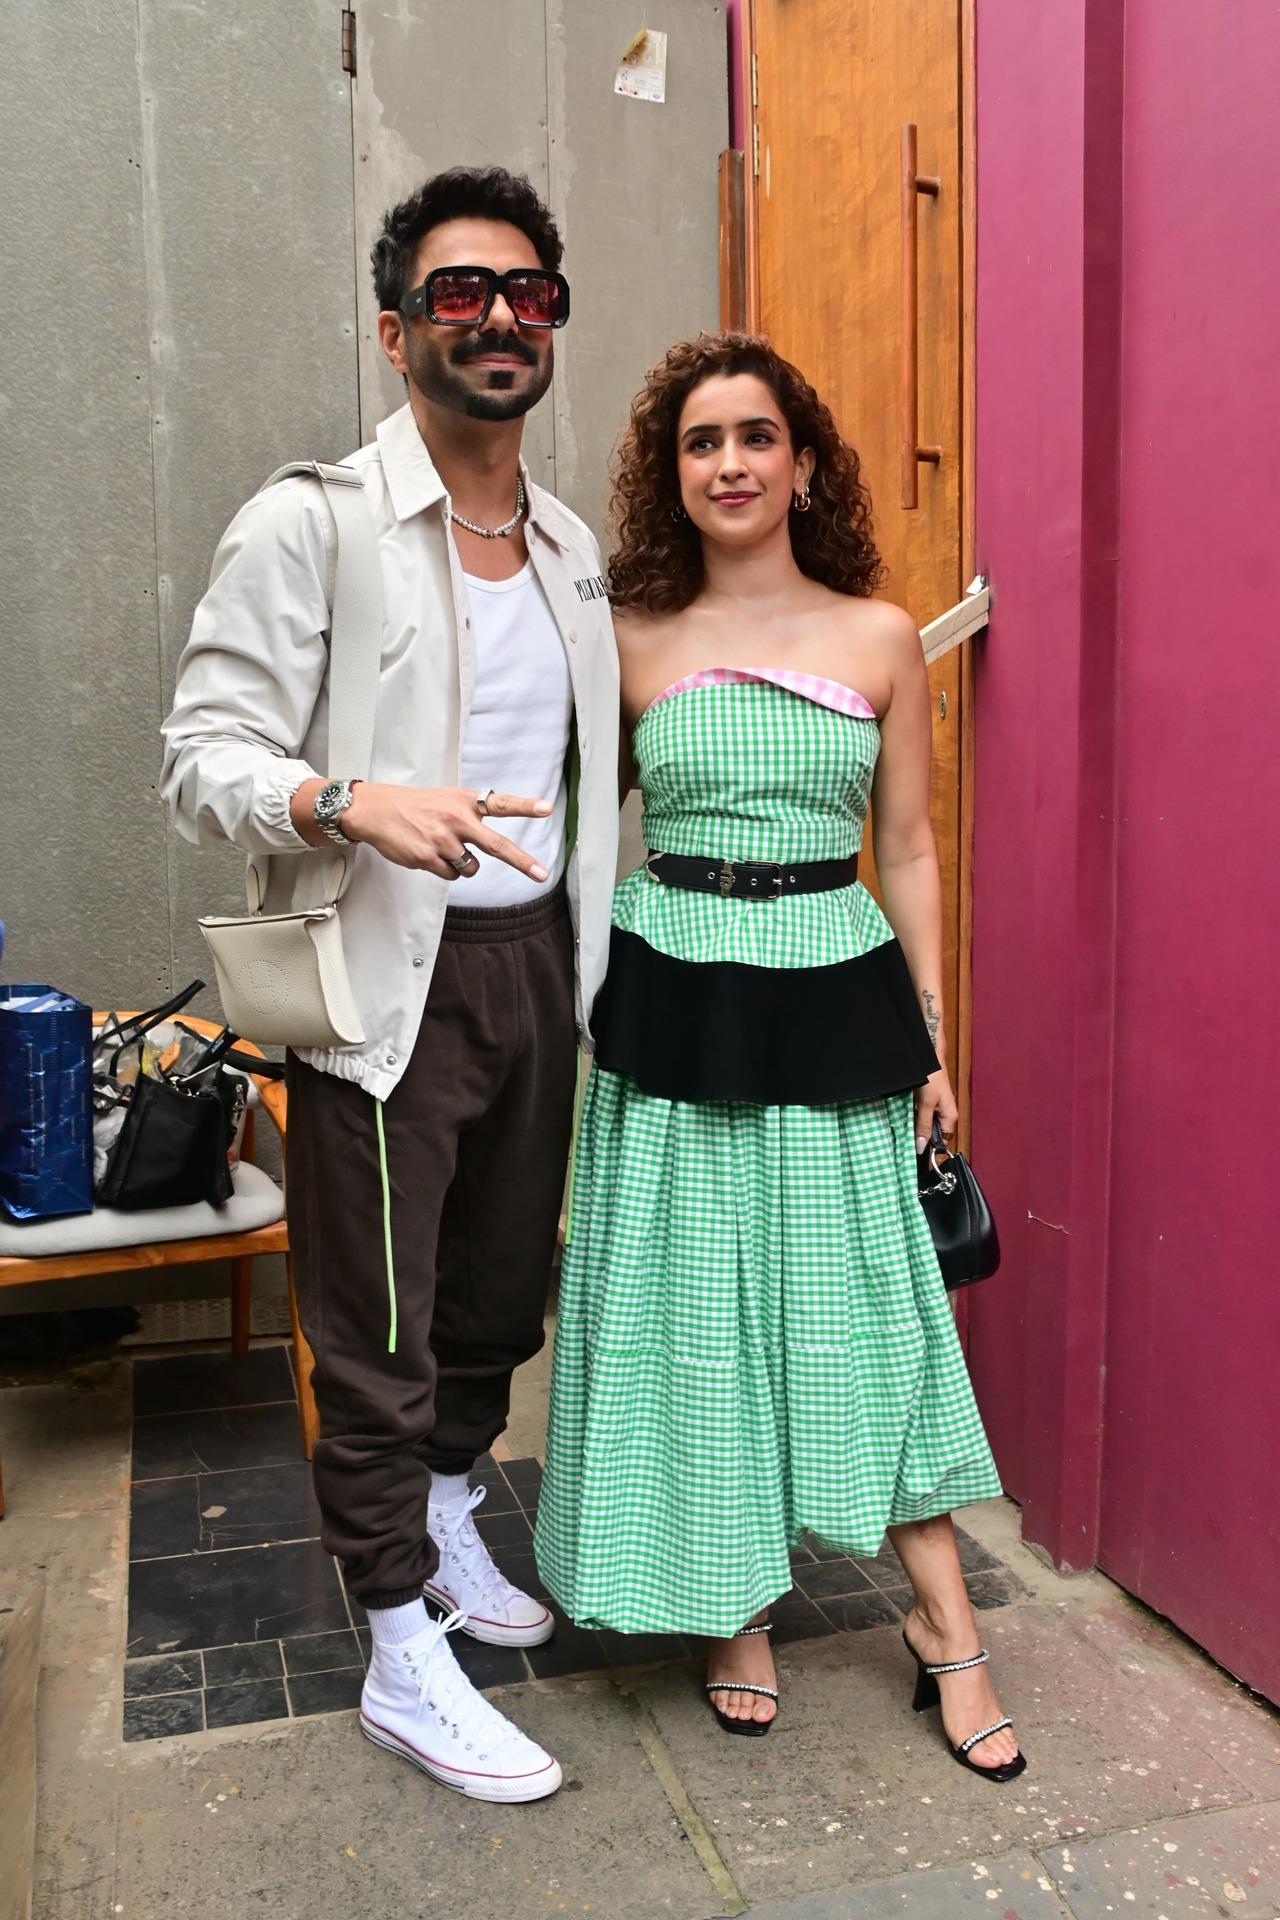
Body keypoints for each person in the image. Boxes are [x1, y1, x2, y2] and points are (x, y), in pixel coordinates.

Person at [161, 167, 619, 1804]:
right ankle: (394, 1646)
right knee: (374, 1329)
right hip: (378, 980)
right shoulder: (313, 521)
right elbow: (203, 754)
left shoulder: (568, 549)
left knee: (496, 1298)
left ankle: (440, 1513)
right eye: (458, 292)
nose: (497, 316)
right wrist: (352, 798)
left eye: (527, 292)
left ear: (551, 323)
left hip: (534, 969)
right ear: (396, 327)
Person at [535, 332, 1025, 1782]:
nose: (731, 463)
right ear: (669, 473)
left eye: (757, 436)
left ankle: (948, 1626)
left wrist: (935, 1035)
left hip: (832, 988)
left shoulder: (879, 634)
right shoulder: (625, 637)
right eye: (701, 441)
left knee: (869, 1317)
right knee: (691, 1315)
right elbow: (564, 835)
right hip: (673, 998)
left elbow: (916, 849)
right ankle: (729, 1601)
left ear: (803, 462)